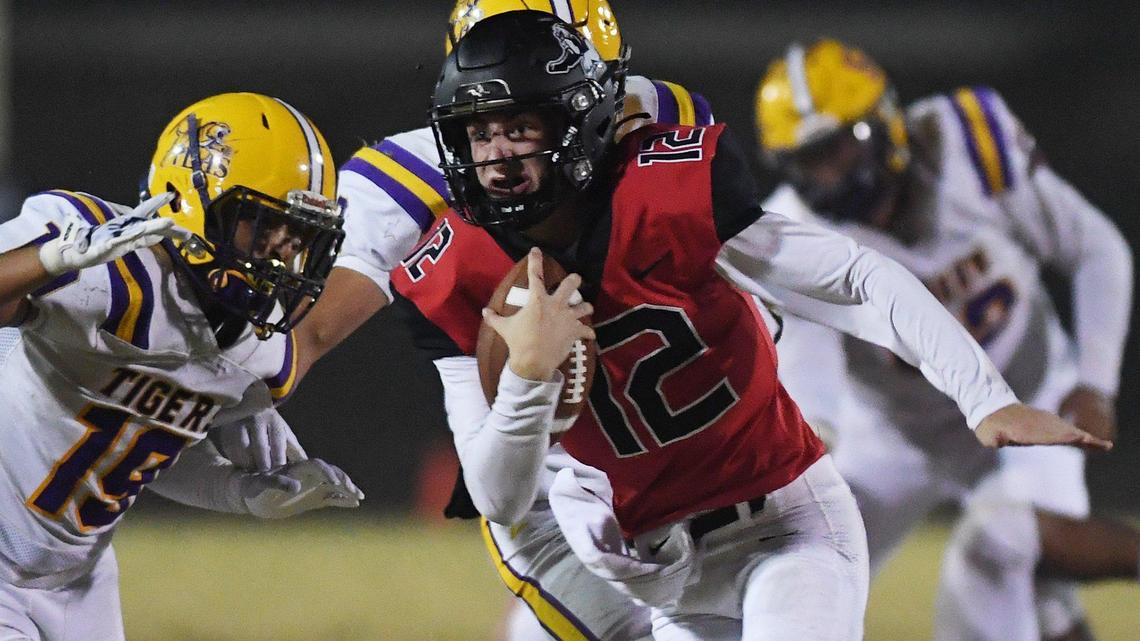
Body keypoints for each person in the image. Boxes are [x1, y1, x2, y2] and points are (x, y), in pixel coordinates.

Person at [391, 12, 1110, 641]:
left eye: (519, 127)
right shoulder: (456, 272)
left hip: (787, 524)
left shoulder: (665, 194)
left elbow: (857, 277)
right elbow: (498, 496)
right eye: (477, 133)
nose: (494, 156)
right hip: (675, 574)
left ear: (578, 119)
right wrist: (526, 377)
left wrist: (983, 396)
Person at [292, 3, 717, 639]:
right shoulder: (406, 180)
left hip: (658, 432)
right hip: (528, 438)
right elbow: (308, 335)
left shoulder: (655, 115)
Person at [754, 39, 1137, 641]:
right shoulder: (790, 232)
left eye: (838, 149)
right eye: (808, 160)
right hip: (892, 434)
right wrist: (812, 447)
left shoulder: (968, 143)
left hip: (1027, 397)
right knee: (797, 562)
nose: (827, 176)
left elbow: (1095, 249)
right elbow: (812, 384)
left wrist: (1096, 382)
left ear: (886, 125)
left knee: (1027, 578)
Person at [0, 92, 364, 641]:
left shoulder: (255, 350)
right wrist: (47, 262)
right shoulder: (98, 264)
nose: (278, 257)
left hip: (78, 575)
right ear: (191, 199)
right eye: (263, 227)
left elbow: (136, 452)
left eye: (297, 239)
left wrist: (239, 493)